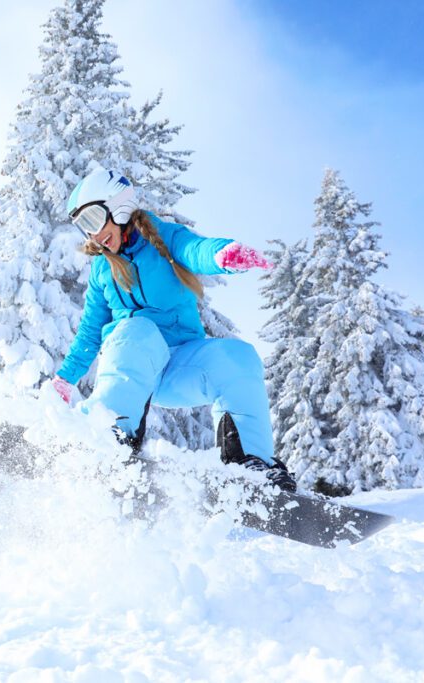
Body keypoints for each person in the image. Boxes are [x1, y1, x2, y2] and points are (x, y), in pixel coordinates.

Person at [52, 167, 296, 492]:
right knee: (135, 329)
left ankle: (250, 467)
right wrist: (64, 379)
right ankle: (108, 437)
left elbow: (195, 250)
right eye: (84, 227)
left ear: (118, 205)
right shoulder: (101, 271)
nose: (93, 235)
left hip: (179, 367)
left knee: (239, 356)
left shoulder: (164, 238)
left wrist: (223, 253)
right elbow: (90, 332)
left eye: (94, 220)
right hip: (132, 367)